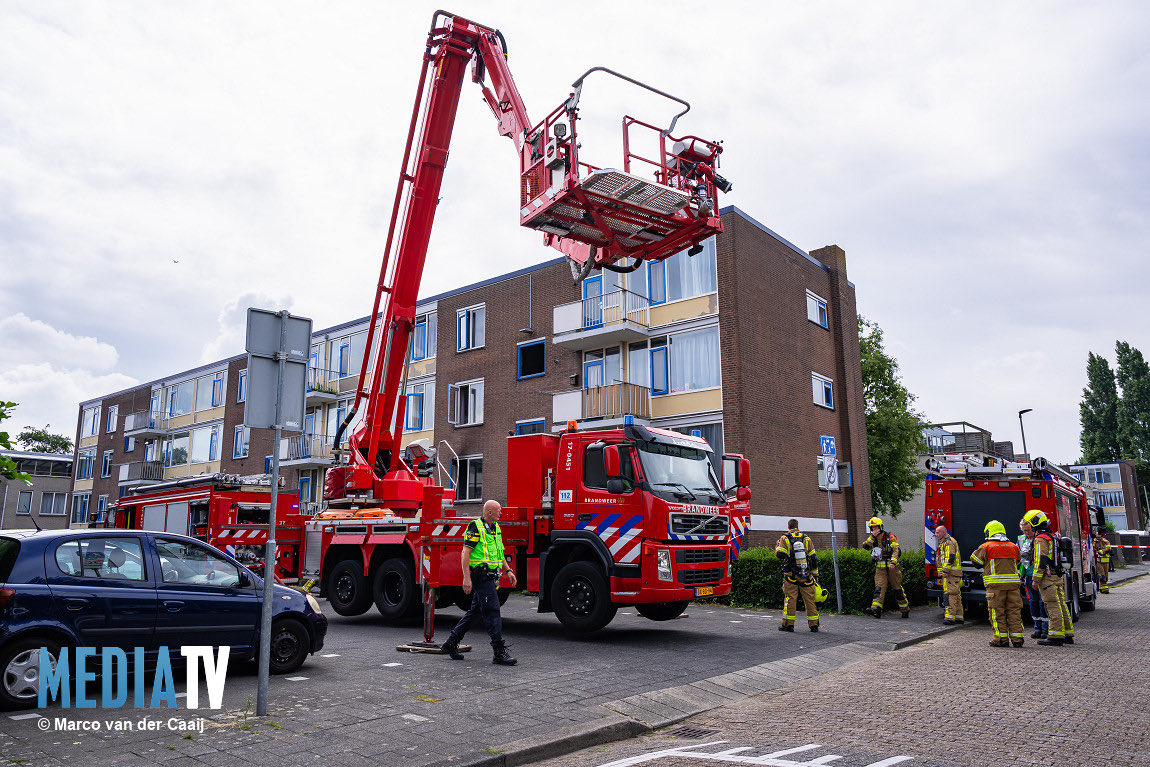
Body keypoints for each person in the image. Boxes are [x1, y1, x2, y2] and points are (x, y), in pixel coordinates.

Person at [441, 500, 517, 665]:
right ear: (489, 512)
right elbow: (465, 553)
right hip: (480, 576)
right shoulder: (476, 527)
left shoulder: (495, 528)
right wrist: (466, 578)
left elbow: (499, 553)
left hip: (490, 576)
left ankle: (451, 643)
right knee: (493, 611)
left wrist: (508, 570)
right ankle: (498, 651)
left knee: (475, 612)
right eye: (498, 511)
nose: (500, 513)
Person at [1024, 509, 1074, 647]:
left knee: (1052, 605)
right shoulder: (1052, 535)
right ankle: (1067, 634)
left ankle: (1055, 635)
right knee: (1061, 604)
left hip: (1047, 577)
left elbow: (1041, 559)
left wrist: (1035, 579)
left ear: (1034, 522)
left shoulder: (1040, 538)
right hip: (1057, 576)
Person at [970, 520, 1024, 647]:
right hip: (1013, 586)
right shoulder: (1014, 547)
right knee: (1014, 612)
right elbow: (1018, 563)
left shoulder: (986, 546)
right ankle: (1018, 640)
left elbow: (975, 562)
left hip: (995, 587)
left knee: (997, 612)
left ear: (989, 532)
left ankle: (1001, 640)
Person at [775, 518, 820, 632]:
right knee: (809, 599)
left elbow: (780, 555)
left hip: (790, 574)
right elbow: (813, 558)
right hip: (806, 574)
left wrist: (777, 546)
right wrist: (815, 574)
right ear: (798, 527)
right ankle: (814, 625)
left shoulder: (784, 538)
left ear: (788, 527)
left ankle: (788, 625)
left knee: (790, 599)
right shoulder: (807, 539)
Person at [862, 517, 908, 618]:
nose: (874, 530)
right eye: (872, 528)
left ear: (880, 527)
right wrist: (872, 537)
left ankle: (905, 609)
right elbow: (865, 546)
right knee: (879, 588)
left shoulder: (889, 536)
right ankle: (876, 609)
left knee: (897, 590)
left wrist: (893, 562)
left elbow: (896, 550)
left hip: (892, 568)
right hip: (880, 568)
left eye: (876, 527)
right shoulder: (872, 538)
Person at [1019, 518, 1048, 640]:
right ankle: (1037, 628)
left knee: (1043, 602)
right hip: (1029, 575)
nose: (1026, 533)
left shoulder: (1039, 539)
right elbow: (1021, 560)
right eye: (1024, 531)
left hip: (1041, 576)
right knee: (1033, 602)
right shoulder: (1021, 540)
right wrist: (1021, 575)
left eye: (1028, 530)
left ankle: (1045, 629)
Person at [934, 525, 963, 625]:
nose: (936, 535)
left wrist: (945, 570)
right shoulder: (945, 542)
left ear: (943, 532)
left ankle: (950, 618)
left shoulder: (949, 542)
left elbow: (950, 557)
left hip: (950, 574)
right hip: (952, 573)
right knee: (956, 595)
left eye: (938, 533)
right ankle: (959, 617)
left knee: (950, 594)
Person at [1094, 529, 1112, 594]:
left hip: (1106, 561)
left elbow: (1108, 548)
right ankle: (1104, 589)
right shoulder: (1093, 542)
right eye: (1097, 537)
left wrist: (1100, 551)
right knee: (1102, 575)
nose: (1098, 538)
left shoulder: (1106, 541)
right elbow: (1093, 549)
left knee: (1106, 576)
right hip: (1098, 561)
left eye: (1099, 537)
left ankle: (1102, 588)